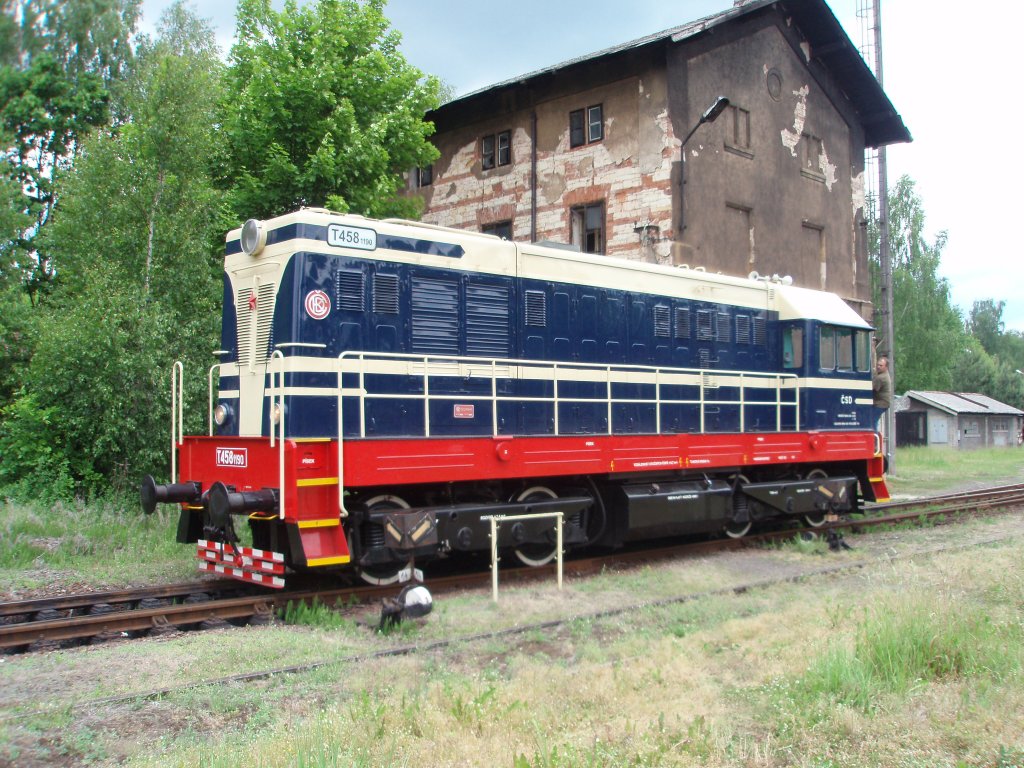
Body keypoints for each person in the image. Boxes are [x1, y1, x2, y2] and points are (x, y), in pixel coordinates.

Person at [872, 355, 892, 430]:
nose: (878, 366)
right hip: (883, 403)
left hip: (881, 403)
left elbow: (872, 389)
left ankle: (874, 438)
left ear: (886, 367)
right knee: (874, 419)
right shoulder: (883, 374)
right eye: (877, 364)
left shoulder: (881, 378)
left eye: (881, 365)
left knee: (871, 420)